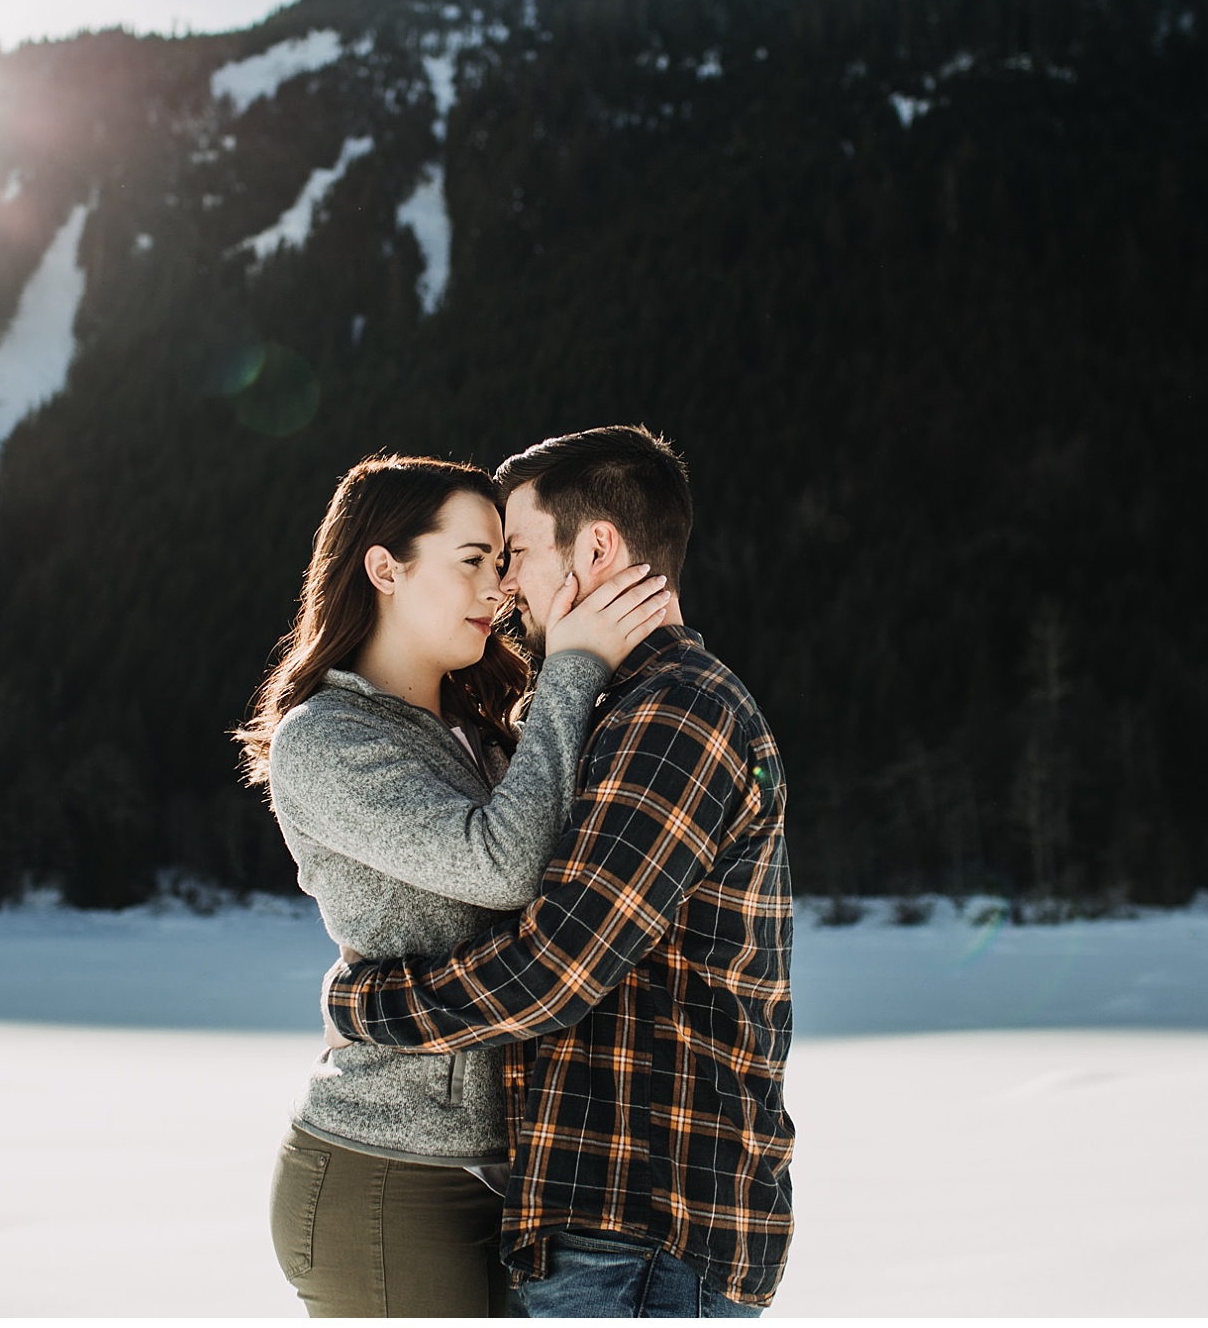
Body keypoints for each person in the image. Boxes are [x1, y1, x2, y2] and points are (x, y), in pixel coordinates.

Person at [323, 426, 795, 1317]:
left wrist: (370, 1004)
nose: (505, 590)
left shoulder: (676, 714)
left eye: (521, 554)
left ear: (600, 547)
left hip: (648, 1227)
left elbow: (558, 966)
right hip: (603, 1217)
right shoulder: (616, 712)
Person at [236, 453, 674, 1317]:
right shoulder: (324, 740)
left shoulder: (481, 731)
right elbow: (504, 864)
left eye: (505, 562)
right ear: (385, 568)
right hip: (389, 1172)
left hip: (502, 1172)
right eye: (473, 560)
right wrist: (575, 669)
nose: (500, 587)